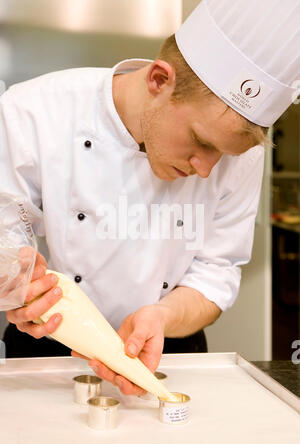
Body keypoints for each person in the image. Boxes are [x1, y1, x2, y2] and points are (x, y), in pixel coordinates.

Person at [0, 0, 299, 397]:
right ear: (159, 80)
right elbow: (6, 235)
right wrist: (18, 287)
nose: (207, 169)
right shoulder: (32, 112)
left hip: (168, 352)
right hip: (48, 350)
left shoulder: (245, 155)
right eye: (201, 141)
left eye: (224, 155)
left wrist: (162, 315)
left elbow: (217, 270)